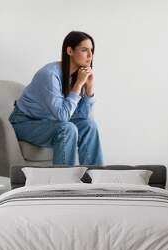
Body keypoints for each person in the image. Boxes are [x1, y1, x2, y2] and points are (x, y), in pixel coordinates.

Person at [9, 31, 104, 166]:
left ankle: (96, 179)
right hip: (24, 123)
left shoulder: (78, 75)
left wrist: (89, 89)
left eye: (91, 50)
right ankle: (64, 182)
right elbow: (63, 116)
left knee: (90, 126)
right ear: (69, 50)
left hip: (50, 122)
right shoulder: (50, 75)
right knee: (67, 128)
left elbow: (84, 118)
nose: (90, 55)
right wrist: (78, 85)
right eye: (84, 50)